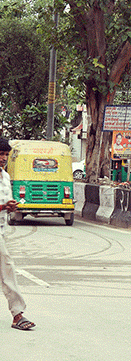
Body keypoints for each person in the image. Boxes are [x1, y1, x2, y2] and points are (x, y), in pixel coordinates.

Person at [0, 137, 35, 331]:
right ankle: (17, 314)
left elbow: (7, 203)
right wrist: (3, 207)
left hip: (1, 230)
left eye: (6, 154)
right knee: (8, 269)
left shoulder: (5, 177)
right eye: (1, 154)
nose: (3, 158)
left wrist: (11, 206)